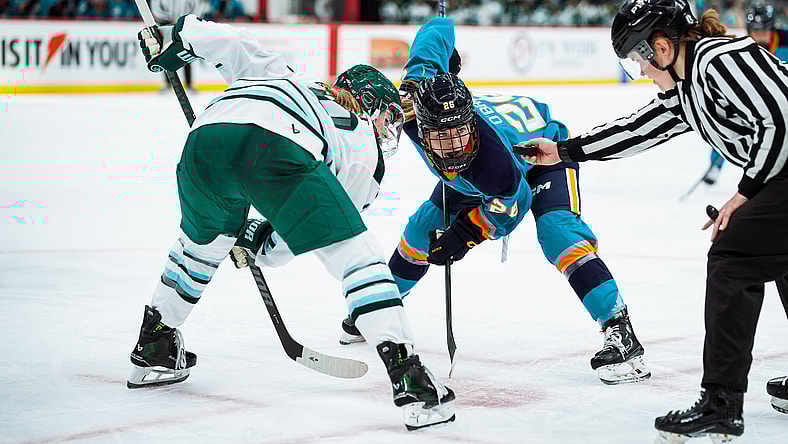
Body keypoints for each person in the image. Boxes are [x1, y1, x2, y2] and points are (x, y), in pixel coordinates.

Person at [127, 14, 456, 430]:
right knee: (358, 259)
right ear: (374, 108)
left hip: (204, 140)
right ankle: (410, 376)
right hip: (275, 146)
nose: (388, 129)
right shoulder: (364, 150)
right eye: (388, 117)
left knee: (198, 249)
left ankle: (154, 344)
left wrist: (175, 37)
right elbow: (309, 232)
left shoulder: (283, 74)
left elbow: (225, 40)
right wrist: (263, 245)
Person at [523, 0, 788, 441]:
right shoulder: (687, 89)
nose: (640, 71)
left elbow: (782, 118)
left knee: (733, 255)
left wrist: (745, 193)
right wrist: (563, 152)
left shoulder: (720, 59)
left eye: (636, 60)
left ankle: (721, 403)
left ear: (661, 48)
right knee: (774, 254)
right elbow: (638, 129)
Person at [339, 17, 651, 385]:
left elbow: (512, 203)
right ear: (422, 124)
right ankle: (381, 309)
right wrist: (440, 43)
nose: (453, 148)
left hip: (539, 155)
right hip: (475, 173)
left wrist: (466, 232)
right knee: (421, 228)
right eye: (440, 139)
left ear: (469, 124)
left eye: (459, 135)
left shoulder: (492, 163)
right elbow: (436, 31)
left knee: (558, 234)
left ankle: (620, 328)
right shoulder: (414, 100)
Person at [698, 1, 788, 187]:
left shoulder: (785, 45)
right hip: (754, 101)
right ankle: (715, 165)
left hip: (780, 102)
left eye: (764, 29)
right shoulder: (742, 48)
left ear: (773, 28)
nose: (760, 34)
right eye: (756, 30)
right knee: (727, 121)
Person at [150, 0, 210, 91]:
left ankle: (188, 83)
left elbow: (198, 8)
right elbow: (156, 9)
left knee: (186, 52)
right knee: (165, 54)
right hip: (167, 25)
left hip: (185, 26)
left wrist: (186, 21)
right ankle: (168, 83)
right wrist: (168, 20)